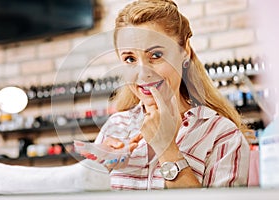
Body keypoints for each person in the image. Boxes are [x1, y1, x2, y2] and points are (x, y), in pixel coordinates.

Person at [76, 0, 250, 190]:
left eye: (156, 55)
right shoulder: (114, 127)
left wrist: (167, 149)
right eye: (130, 59)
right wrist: (97, 171)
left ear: (185, 52)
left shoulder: (223, 135)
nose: (143, 73)